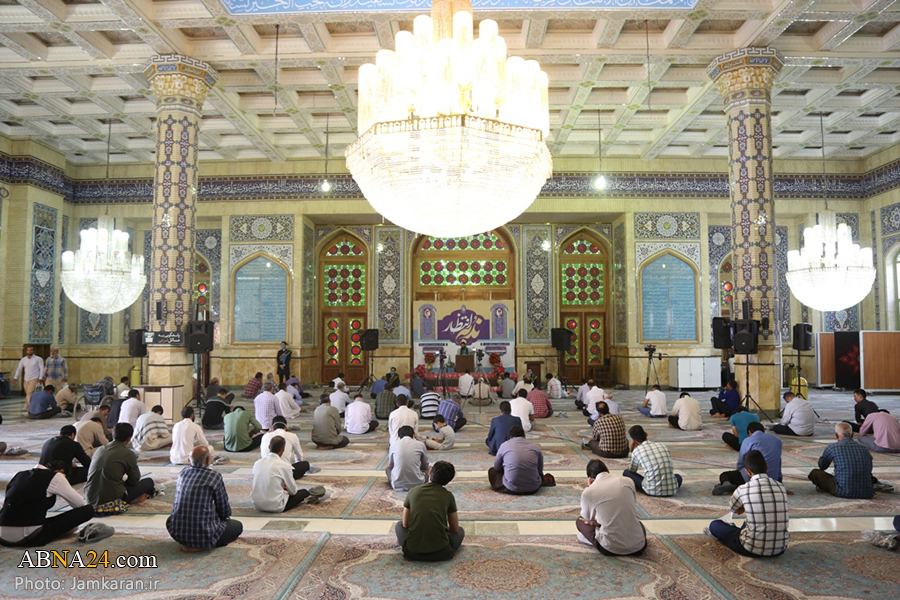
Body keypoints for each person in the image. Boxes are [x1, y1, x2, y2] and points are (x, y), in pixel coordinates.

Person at [707, 449, 789, 558]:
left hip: (751, 548)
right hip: (780, 548)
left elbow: (733, 508)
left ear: (748, 472)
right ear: (767, 468)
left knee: (715, 525)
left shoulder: (743, 489)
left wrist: (744, 505)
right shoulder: (780, 487)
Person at [0, 460, 94, 547]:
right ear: (61, 472)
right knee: (88, 510)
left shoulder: (20, 475)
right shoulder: (56, 477)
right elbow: (80, 504)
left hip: (2, 536)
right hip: (29, 537)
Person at [167, 446, 242, 552]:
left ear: (189, 460)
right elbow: (224, 510)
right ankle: (205, 543)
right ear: (207, 460)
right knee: (237, 526)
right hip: (204, 534)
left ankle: (190, 543)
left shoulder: (182, 473)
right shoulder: (213, 476)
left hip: (178, 533)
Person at [395, 461, 464, 562]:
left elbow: (406, 524)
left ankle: (407, 543)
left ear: (430, 472)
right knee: (460, 531)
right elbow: (454, 528)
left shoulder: (413, 491)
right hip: (441, 553)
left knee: (399, 525)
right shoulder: (448, 496)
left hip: (412, 553)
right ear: (448, 481)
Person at [576, 459, 647, 556]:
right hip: (639, 546)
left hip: (611, 548)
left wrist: (590, 487)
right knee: (636, 523)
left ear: (590, 479)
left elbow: (587, 519)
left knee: (580, 522)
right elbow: (631, 505)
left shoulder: (589, 492)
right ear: (608, 470)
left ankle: (589, 539)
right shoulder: (628, 481)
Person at [84, 423, 155, 506]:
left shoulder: (100, 449)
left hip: (89, 496)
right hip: (112, 498)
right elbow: (134, 479)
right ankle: (129, 499)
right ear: (129, 438)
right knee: (149, 482)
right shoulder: (128, 453)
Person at [251, 437, 326, 513]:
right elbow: (293, 491)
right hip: (276, 506)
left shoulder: (257, 463)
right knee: (303, 492)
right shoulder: (284, 465)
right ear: (283, 449)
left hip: (257, 505)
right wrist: (286, 488)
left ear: (269, 447)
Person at [808, 423, 875, 498]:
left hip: (843, 491)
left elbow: (822, 466)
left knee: (815, 473)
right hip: (867, 492)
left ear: (836, 435)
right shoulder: (864, 448)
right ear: (852, 435)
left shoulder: (833, 447)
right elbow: (869, 469)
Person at [715, 422, 782, 495]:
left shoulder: (749, 440)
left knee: (725, 475)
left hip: (752, 477)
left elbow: (741, 461)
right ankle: (738, 485)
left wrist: (739, 473)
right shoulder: (777, 440)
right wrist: (779, 482)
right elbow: (778, 461)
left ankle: (729, 484)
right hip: (773, 479)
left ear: (749, 432)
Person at [623, 425, 681, 497]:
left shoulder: (637, 451)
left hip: (651, 490)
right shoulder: (662, 446)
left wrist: (631, 450)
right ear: (646, 434)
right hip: (672, 489)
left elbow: (632, 470)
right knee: (678, 477)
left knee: (626, 472)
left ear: (634, 441)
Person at [489, 426, 543, 495]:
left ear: (510, 437)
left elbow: (497, 467)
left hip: (511, 488)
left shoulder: (504, 445)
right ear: (524, 435)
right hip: (533, 487)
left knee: (492, 471)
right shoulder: (535, 447)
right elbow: (540, 470)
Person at [387, 426, 429, 491]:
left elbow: (391, 465)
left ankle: (395, 481)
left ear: (398, 436)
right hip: (418, 484)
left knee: (388, 469)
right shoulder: (420, 444)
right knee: (428, 469)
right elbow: (425, 465)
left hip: (397, 485)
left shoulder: (394, 445)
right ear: (413, 435)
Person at [13, 345, 44, 411]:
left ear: (33, 351)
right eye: (28, 350)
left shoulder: (38, 359)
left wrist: (40, 377)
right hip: (26, 378)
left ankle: (31, 406)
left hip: (34, 378)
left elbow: (41, 368)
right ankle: (27, 406)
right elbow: (19, 368)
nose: (29, 351)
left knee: (29, 392)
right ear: (26, 351)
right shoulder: (23, 359)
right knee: (28, 393)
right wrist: (16, 376)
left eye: (31, 350)